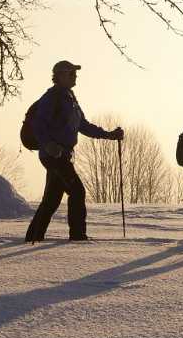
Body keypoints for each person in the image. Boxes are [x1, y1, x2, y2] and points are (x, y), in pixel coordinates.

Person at [25, 59, 124, 244]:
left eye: (75, 73)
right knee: (77, 191)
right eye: (71, 73)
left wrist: (109, 135)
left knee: (52, 199)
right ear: (61, 75)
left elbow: (83, 126)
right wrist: (48, 144)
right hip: (54, 155)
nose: (75, 76)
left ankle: (33, 236)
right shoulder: (51, 97)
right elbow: (38, 124)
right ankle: (78, 236)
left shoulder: (70, 97)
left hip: (64, 155)